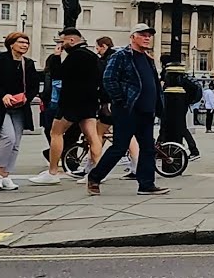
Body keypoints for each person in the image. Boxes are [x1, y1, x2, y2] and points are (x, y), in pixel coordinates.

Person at [84, 24, 168, 196]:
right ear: (132, 37)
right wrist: (120, 100)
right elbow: (109, 79)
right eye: (142, 35)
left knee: (148, 148)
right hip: (127, 109)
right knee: (120, 147)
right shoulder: (121, 56)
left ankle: (146, 184)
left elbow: (153, 84)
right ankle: (94, 177)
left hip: (146, 110)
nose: (147, 38)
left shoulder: (148, 59)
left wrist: (158, 106)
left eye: (149, 35)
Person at [31, 28, 104, 184]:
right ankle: (96, 172)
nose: (61, 45)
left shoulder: (75, 56)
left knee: (56, 133)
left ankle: (52, 172)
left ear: (72, 40)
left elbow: (59, 75)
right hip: (90, 101)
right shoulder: (93, 56)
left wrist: (57, 57)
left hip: (72, 101)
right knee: (93, 137)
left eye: (62, 41)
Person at [0, 32, 40, 191]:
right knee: (8, 138)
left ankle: (6, 175)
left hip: (20, 107)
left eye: (27, 43)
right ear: (11, 44)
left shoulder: (29, 64)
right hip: (0, 106)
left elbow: (34, 86)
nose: (25, 45)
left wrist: (27, 97)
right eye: (21, 42)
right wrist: (2, 95)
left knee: (16, 142)